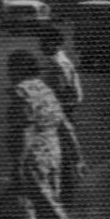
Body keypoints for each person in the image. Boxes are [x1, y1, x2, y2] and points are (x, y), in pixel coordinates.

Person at [4, 49, 83, 219]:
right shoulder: (46, 89)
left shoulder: (21, 92)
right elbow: (65, 126)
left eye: (10, 68)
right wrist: (78, 156)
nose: (8, 72)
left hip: (34, 157)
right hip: (54, 153)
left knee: (48, 206)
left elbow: (27, 129)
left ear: (18, 69)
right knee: (47, 201)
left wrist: (19, 162)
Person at [39, 27, 84, 206]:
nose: (41, 45)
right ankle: (66, 197)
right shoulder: (58, 61)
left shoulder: (58, 64)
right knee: (63, 157)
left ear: (55, 43)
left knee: (63, 158)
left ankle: (67, 200)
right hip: (62, 113)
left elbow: (64, 93)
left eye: (44, 41)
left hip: (60, 114)